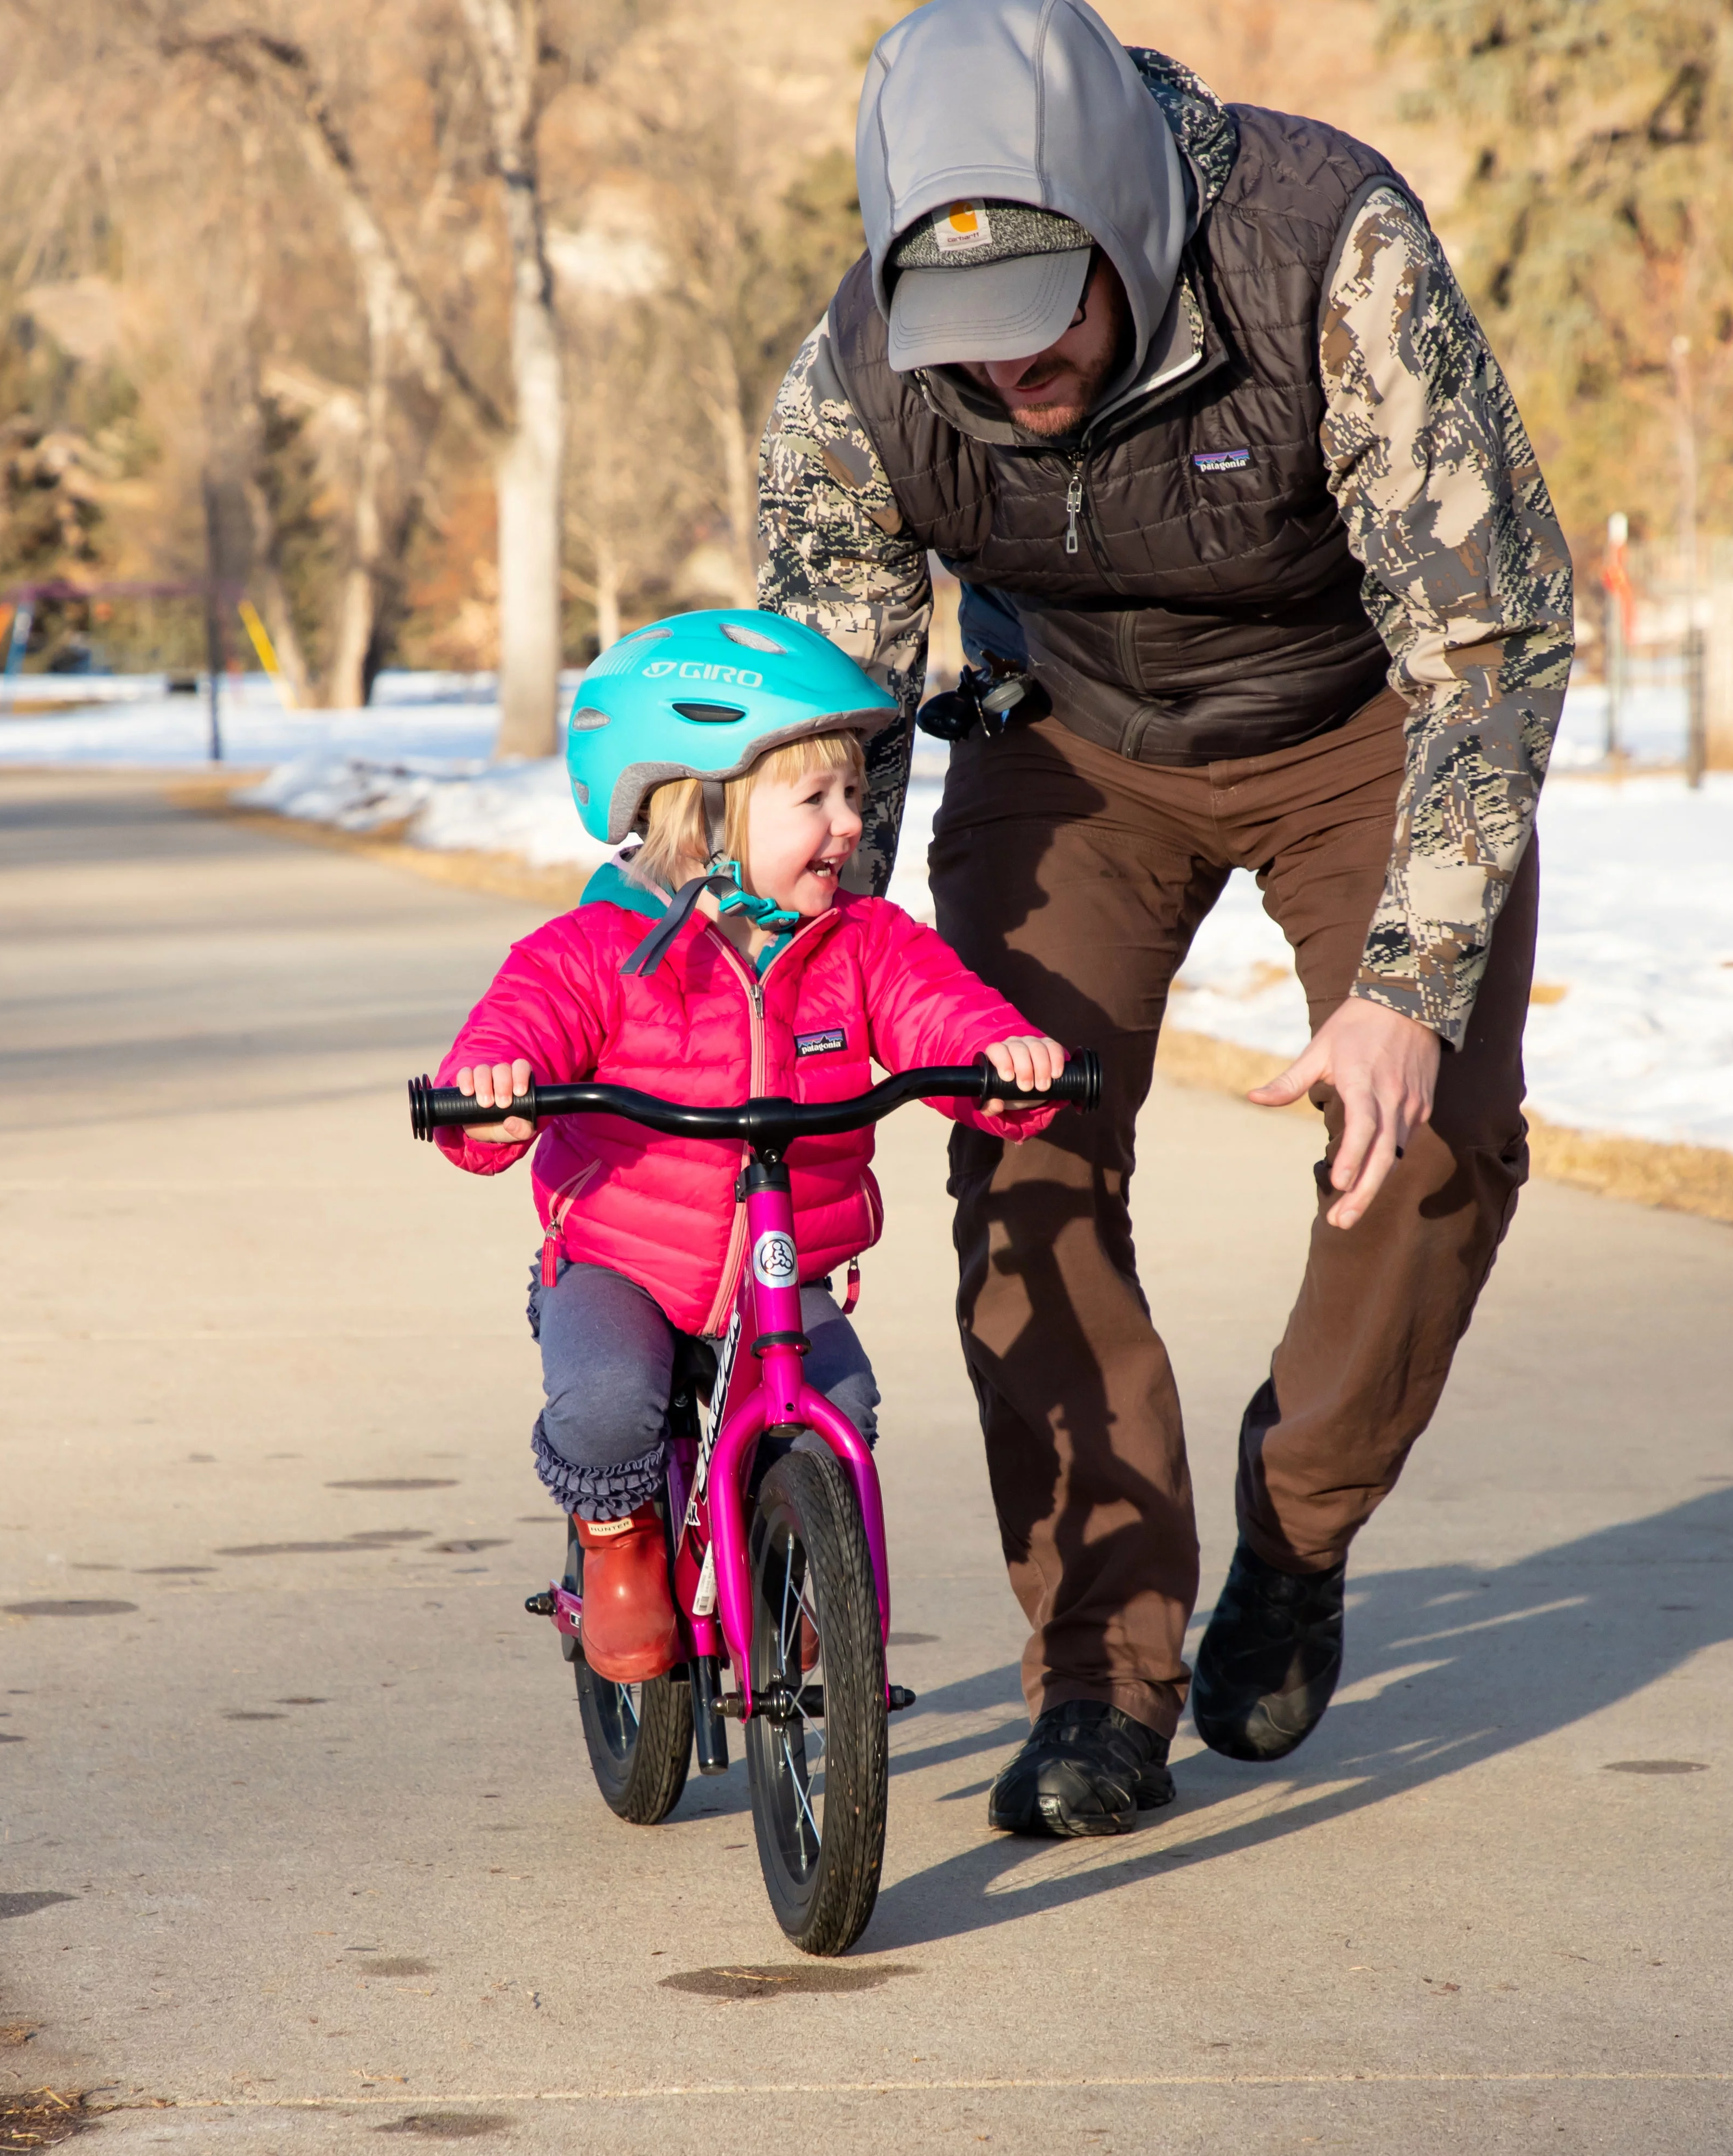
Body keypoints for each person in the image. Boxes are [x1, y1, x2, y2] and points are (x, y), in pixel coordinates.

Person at [755, 0, 1574, 1834]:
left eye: (1049, 331)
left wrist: (1407, 985)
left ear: (1127, 228)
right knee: (1017, 1142)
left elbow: (1491, 640)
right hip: (1075, 749)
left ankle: (1297, 1531)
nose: (1017, 383)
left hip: (1364, 723)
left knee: (1428, 1137)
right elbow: (833, 701)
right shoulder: (862, 368)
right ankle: (1097, 1680)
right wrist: (803, 955)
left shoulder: (1327, 252)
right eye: (975, 350)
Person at [432, 609, 1069, 1684]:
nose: (847, 824)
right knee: (604, 1403)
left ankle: (783, 1565)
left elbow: (936, 1008)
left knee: (841, 1407)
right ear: (700, 812)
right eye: (813, 799)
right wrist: (493, 1091)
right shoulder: (602, 946)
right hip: (622, 1259)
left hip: (784, 1267)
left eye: (856, 798)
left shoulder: (860, 943)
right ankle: (620, 1541)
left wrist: (1000, 1055)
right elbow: (518, 1028)